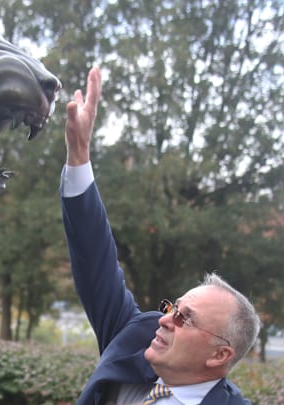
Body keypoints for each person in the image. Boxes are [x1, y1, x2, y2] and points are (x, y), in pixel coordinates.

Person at [60, 65, 261, 405]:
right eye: (174, 307)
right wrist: (79, 156)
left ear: (219, 355)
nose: (166, 320)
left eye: (185, 319)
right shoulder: (136, 335)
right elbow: (95, 263)